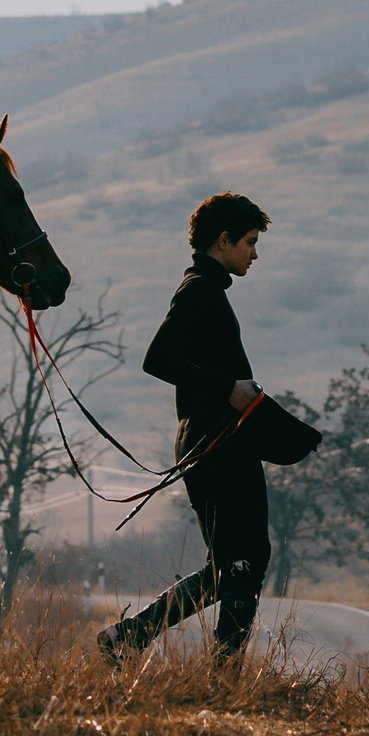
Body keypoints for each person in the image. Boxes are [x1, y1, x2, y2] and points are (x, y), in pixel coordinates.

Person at [99, 192, 273, 665]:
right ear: (224, 240)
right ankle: (224, 677)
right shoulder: (199, 288)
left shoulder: (205, 288)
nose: (255, 254)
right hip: (215, 445)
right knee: (244, 560)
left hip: (217, 441)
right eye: (250, 243)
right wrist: (227, 389)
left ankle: (131, 636)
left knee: (235, 563)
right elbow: (157, 359)